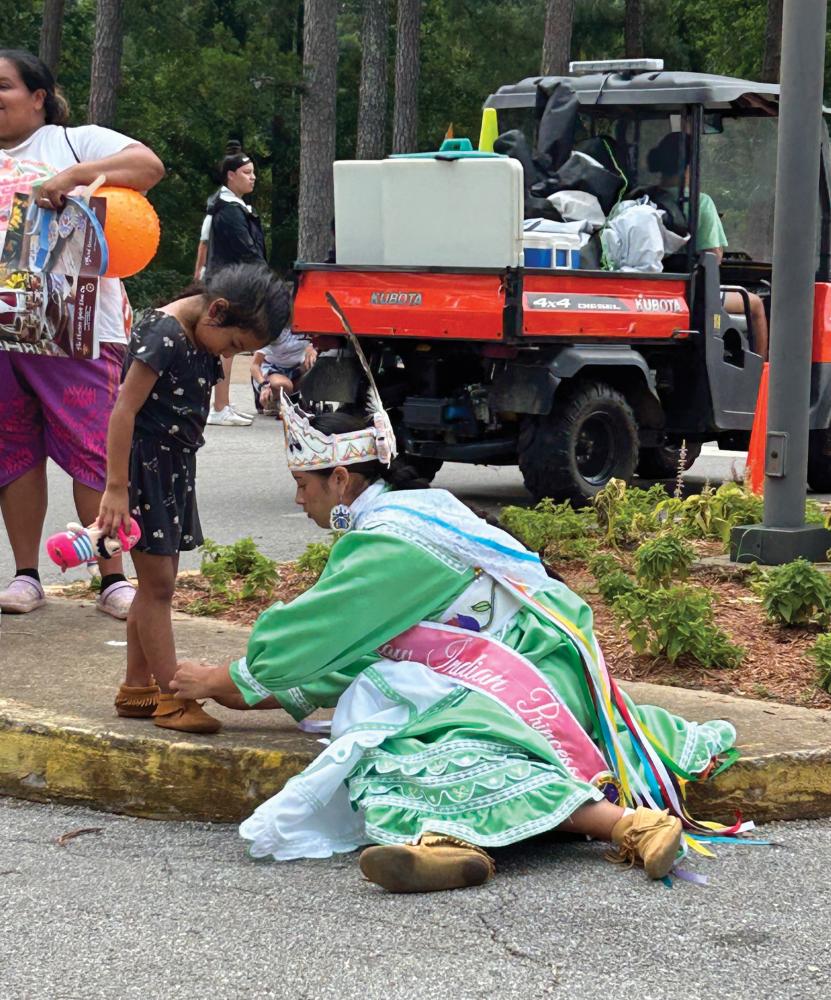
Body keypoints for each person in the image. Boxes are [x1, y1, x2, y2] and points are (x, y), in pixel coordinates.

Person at [170, 380, 744, 893]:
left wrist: (232, 678)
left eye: (303, 485)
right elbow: (370, 649)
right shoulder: (422, 510)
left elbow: (318, 633)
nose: (300, 500)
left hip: (513, 674)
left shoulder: (390, 543)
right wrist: (265, 691)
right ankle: (460, 846)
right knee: (399, 706)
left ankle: (626, 826)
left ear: (339, 478)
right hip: (553, 664)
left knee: (396, 745)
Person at [0, 48, 165, 619]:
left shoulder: (76, 142)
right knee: (14, 452)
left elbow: (148, 166)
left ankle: (111, 577)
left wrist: (71, 178)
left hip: (80, 331)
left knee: (95, 451)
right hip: (5, 334)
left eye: (4, 86)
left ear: (38, 96)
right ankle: (25, 574)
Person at [99, 264, 291, 734]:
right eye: (233, 346)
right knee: (160, 584)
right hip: (144, 468)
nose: (231, 356)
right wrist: (116, 487)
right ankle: (172, 697)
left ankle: (137, 688)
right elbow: (123, 409)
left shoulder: (200, 333)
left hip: (174, 467)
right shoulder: (164, 333)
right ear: (218, 311)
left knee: (153, 584)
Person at [647, 131, 769, 358]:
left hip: (654, 291)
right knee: (756, 306)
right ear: (689, 166)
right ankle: (762, 376)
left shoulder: (646, 197)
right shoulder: (699, 202)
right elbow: (713, 257)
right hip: (692, 293)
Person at [198, 150, 267, 427]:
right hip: (228, 283)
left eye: (253, 172)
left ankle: (222, 404)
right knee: (225, 344)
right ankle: (219, 406)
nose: (253, 178)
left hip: (230, 281)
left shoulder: (230, 206)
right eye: (247, 173)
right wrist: (264, 277)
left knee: (229, 346)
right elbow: (246, 250)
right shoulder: (228, 210)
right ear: (231, 176)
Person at [250, 326, 317, 415]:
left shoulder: (306, 323)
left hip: (296, 367)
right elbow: (254, 365)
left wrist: (313, 347)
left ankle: (293, 398)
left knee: (316, 365)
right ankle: (270, 397)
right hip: (273, 368)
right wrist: (263, 385)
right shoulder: (273, 329)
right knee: (284, 385)